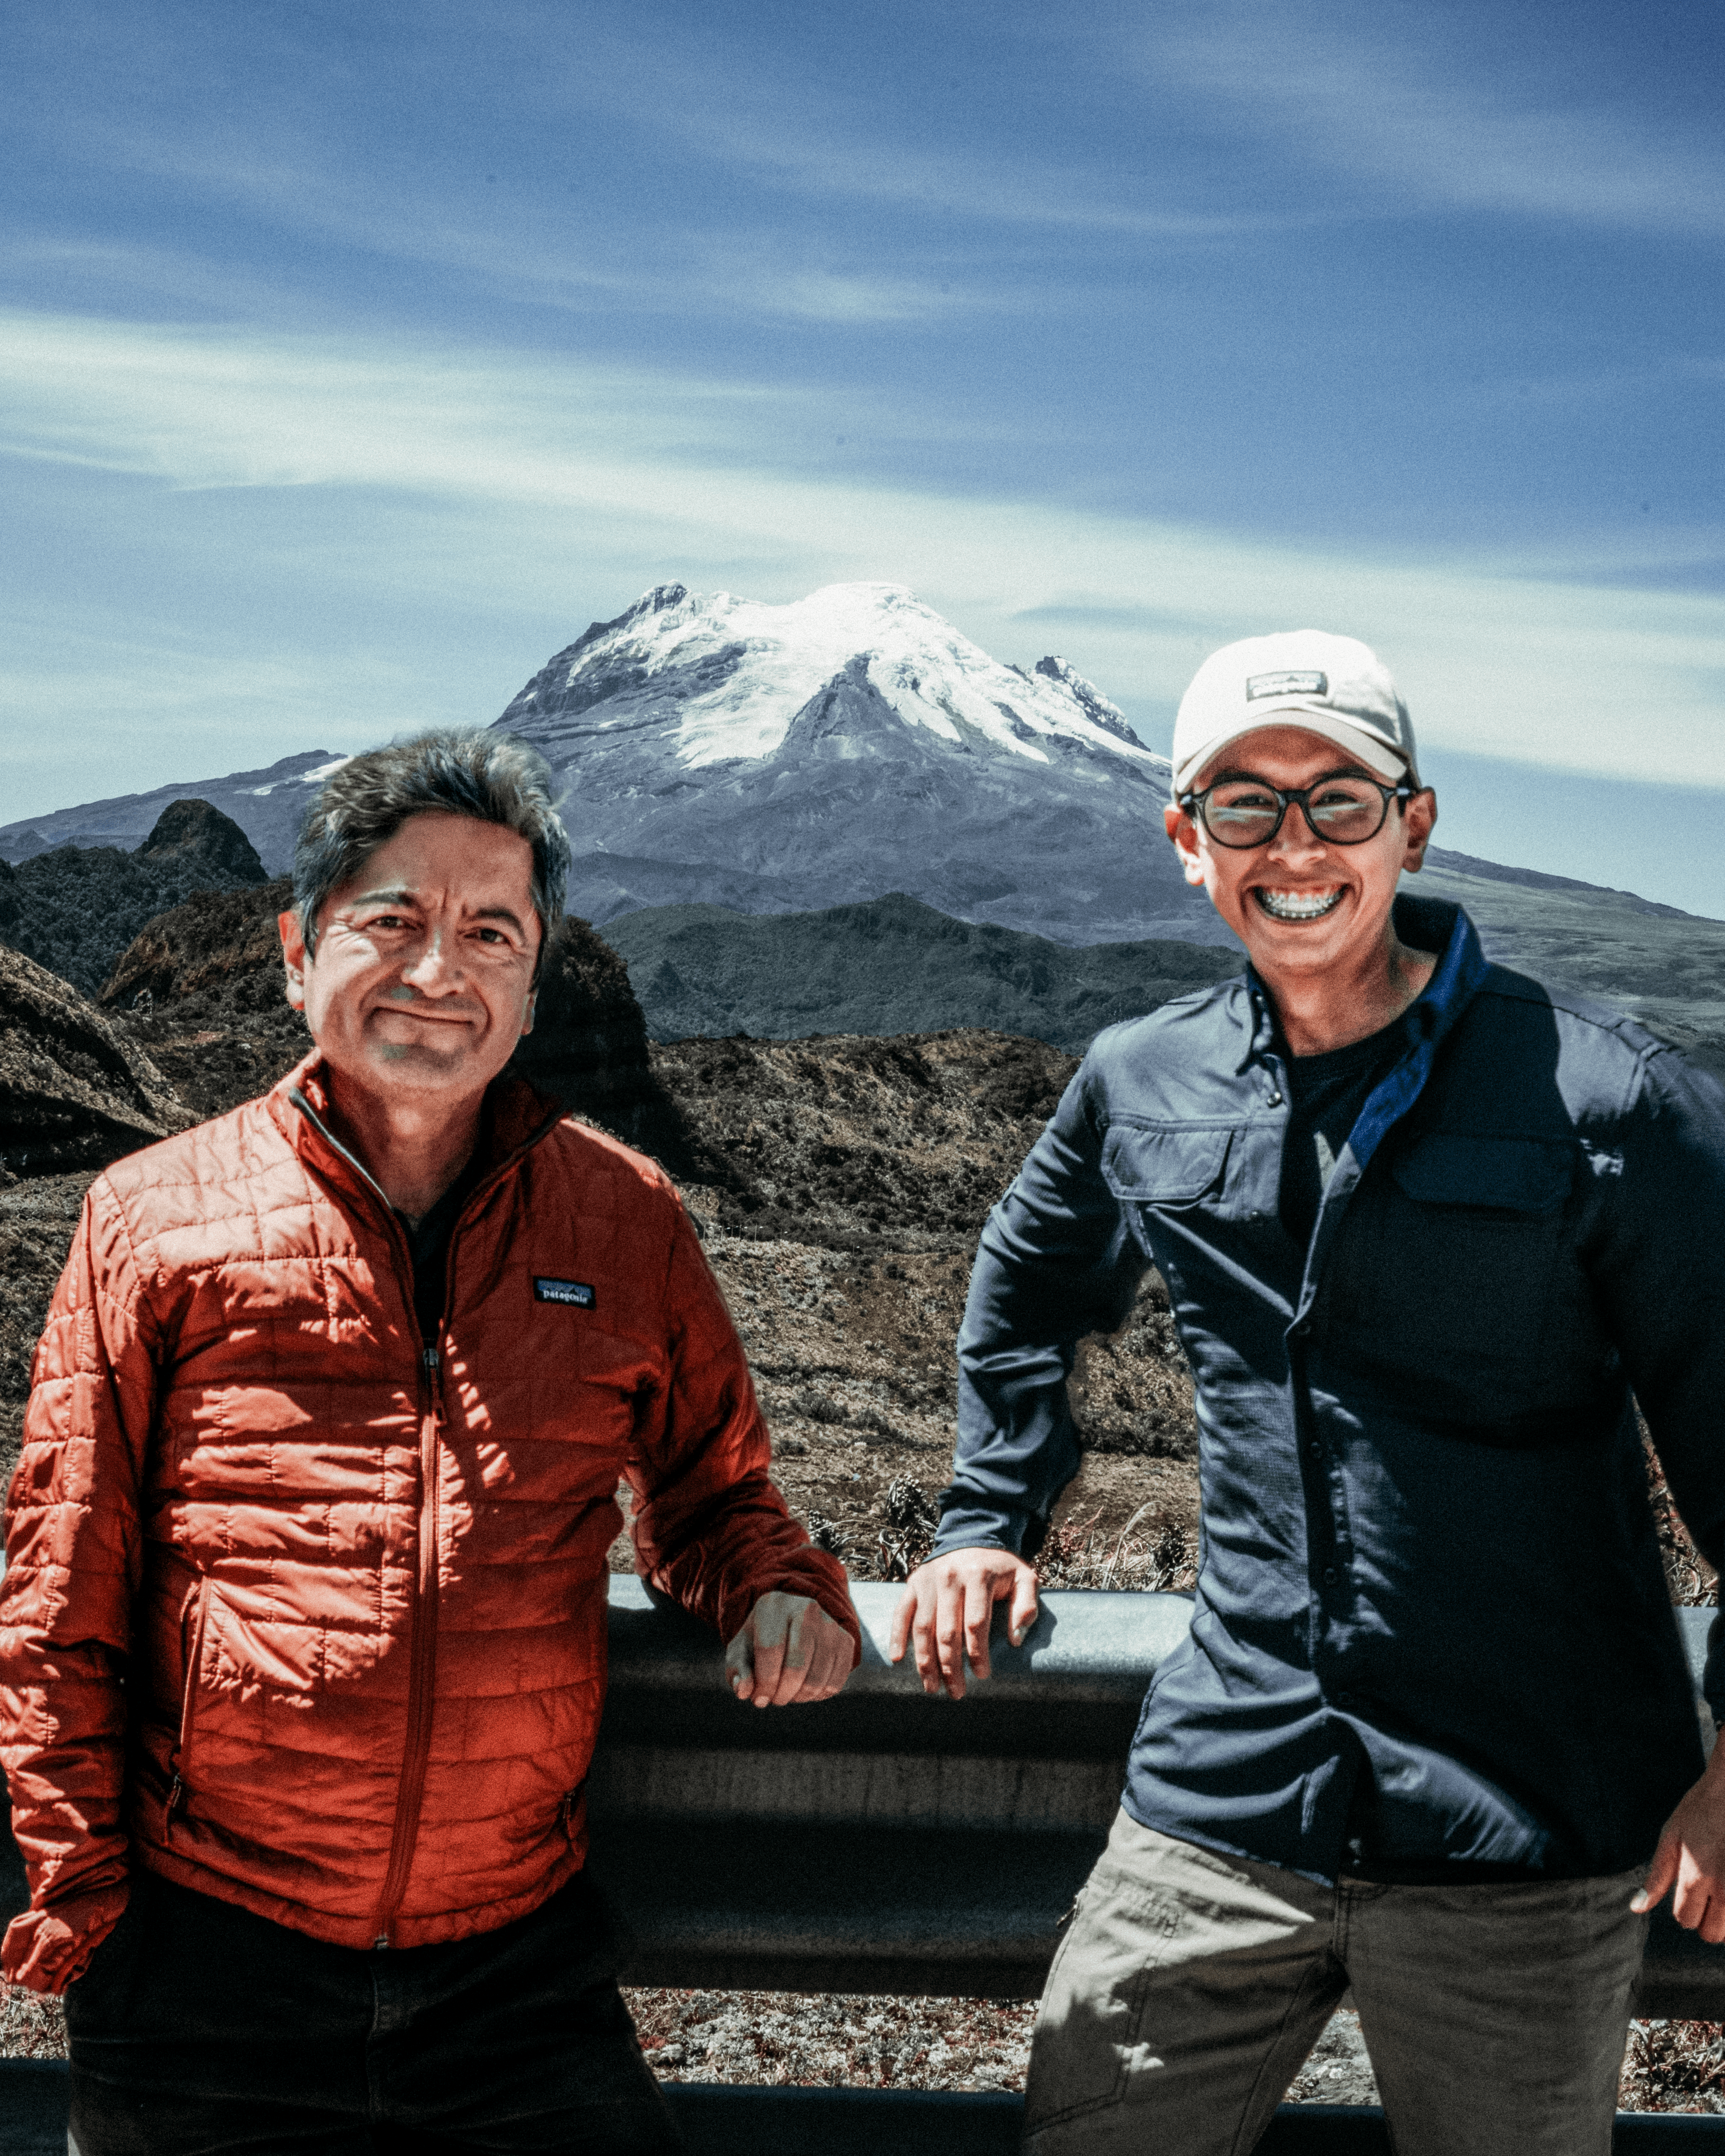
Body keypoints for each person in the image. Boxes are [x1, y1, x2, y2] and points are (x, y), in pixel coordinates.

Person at [890, 630, 1725, 2156]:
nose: (1295, 847)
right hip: (1227, 1795)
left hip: (1527, 1826)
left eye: (1340, 802)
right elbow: (1025, 1280)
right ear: (1183, 840)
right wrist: (985, 1516)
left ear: (1413, 823)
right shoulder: (1140, 1077)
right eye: (1245, 805)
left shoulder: (1611, 1099)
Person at [0, 730, 859, 2155]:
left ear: (534, 979)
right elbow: (59, 1574)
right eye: (390, 922)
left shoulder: (627, 1225)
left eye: (489, 932)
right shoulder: (154, 1221)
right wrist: (80, 1899)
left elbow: (716, 1491)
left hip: (514, 1969)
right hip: (210, 1961)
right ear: (298, 949)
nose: (437, 972)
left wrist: (776, 1584)